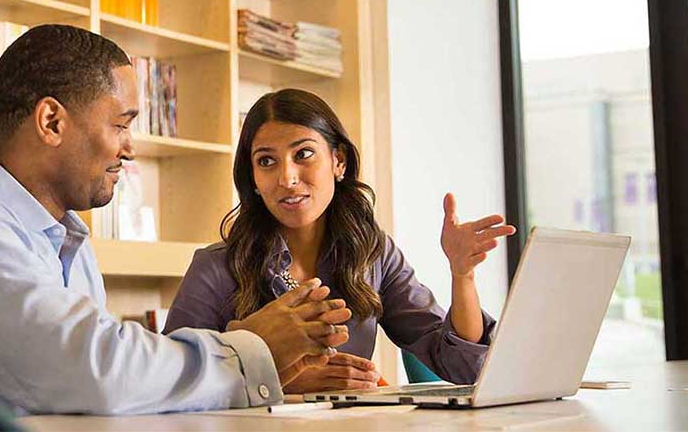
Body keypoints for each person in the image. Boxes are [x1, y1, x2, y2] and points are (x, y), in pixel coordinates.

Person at [0, 25, 352, 415]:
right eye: (120, 124)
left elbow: (109, 393)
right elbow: (92, 371)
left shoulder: (66, 243)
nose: (129, 148)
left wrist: (258, 370)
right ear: (52, 122)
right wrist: (248, 351)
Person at [163, 88, 516, 393]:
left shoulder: (374, 254)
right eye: (267, 161)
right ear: (253, 178)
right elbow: (169, 382)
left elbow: (461, 365)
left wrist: (462, 276)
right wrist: (278, 380)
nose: (287, 178)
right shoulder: (214, 268)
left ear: (339, 160)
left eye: (303, 154)